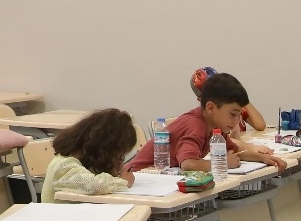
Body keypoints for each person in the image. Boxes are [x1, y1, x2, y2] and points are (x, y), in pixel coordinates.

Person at [124, 71, 289, 176]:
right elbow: (188, 164)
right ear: (211, 108)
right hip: (139, 178)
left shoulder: (216, 126)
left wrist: (262, 158)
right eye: (233, 114)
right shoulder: (195, 126)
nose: (236, 121)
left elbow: (235, 151)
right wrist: (223, 164)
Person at [41, 107, 138, 199]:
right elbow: (93, 186)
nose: (118, 158)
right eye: (117, 154)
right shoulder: (63, 166)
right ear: (105, 148)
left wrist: (114, 171)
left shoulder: (87, 163)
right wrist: (123, 181)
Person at [190, 65, 266, 133]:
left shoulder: (233, 108)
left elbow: (260, 125)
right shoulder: (208, 119)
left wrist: (240, 97)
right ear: (201, 99)